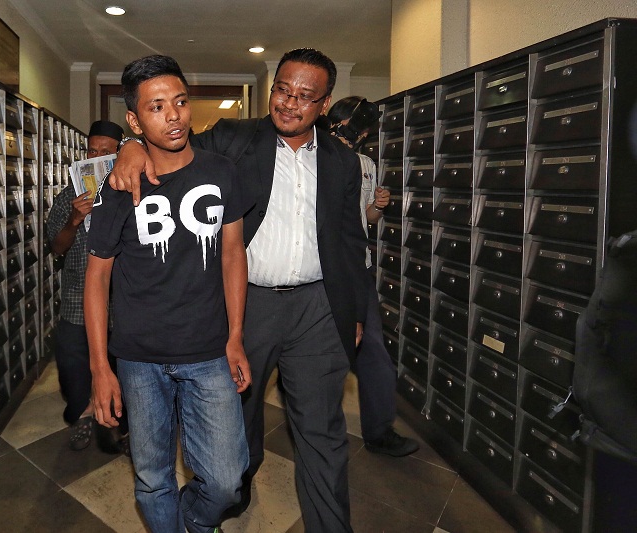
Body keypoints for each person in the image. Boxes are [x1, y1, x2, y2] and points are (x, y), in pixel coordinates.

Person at [110, 48, 368, 533]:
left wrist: (354, 314)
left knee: (322, 432)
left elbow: (352, 243)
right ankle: (227, 498)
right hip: (247, 303)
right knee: (236, 425)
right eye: (282, 91)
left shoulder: (343, 162)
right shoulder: (234, 138)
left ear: (325, 104)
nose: (290, 104)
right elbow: (171, 140)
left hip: (317, 308)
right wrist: (130, 145)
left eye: (305, 97)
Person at [84, 54, 251, 533]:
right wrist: (101, 368)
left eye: (179, 102)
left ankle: (195, 525)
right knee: (153, 477)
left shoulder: (222, 171)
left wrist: (236, 334)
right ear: (134, 120)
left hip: (208, 349)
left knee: (225, 479)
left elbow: (233, 254)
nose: (173, 115)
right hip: (138, 356)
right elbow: (96, 278)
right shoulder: (119, 186)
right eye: (156, 107)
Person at [327, 96, 420, 457]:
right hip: (324, 270)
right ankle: (317, 427)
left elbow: (366, 219)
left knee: (374, 352)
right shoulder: (315, 158)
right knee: (322, 352)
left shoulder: (366, 164)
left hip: (359, 268)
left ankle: (380, 431)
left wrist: (377, 206)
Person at [46, 120, 128, 452]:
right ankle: (83, 413)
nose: (96, 157)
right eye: (92, 151)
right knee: (71, 364)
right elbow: (57, 247)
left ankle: (116, 425)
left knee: (121, 367)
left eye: (105, 152)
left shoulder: (130, 194)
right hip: (77, 301)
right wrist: (74, 219)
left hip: (122, 304)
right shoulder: (70, 196)